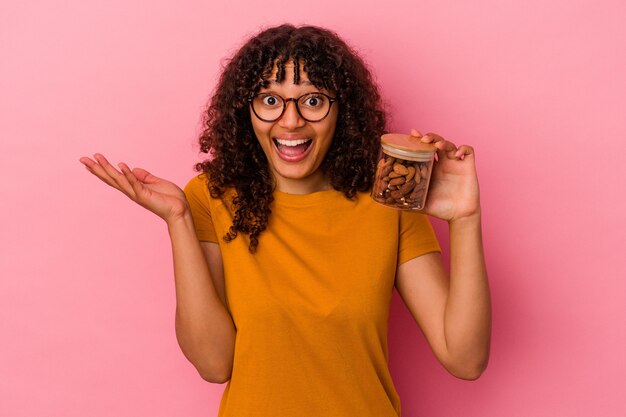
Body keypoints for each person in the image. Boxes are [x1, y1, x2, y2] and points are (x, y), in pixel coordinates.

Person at [79, 24, 491, 417]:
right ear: (247, 111)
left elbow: (465, 358)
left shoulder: (389, 202)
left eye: (313, 100)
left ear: (341, 111)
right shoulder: (210, 198)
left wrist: (465, 219)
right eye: (270, 100)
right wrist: (179, 221)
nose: (291, 121)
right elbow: (214, 364)